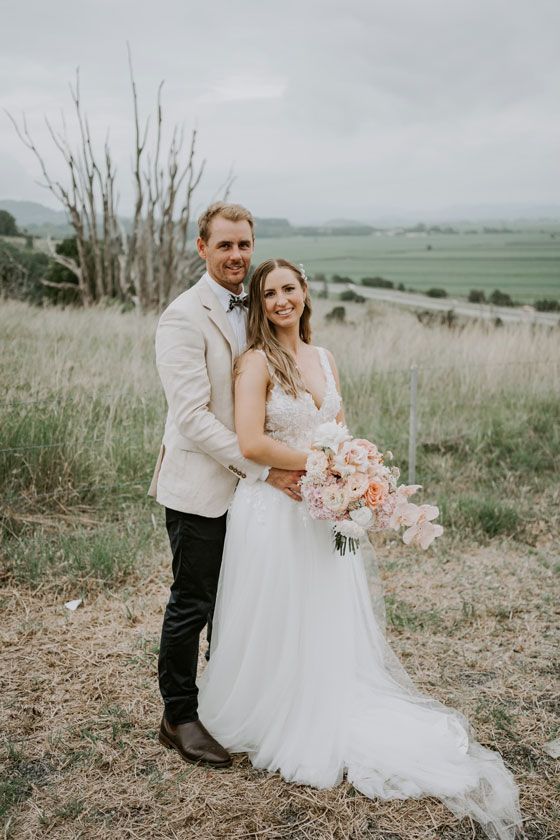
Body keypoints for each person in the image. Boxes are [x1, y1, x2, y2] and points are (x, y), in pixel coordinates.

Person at [198, 258, 522, 840]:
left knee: (324, 609)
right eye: (268, 293)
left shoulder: (324, 358)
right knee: (280, 610)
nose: (280, 301)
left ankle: (326, 694)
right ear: (258, 303)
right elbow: (251, 440)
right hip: (275, 511)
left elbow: (340, 426)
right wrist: (329, 463)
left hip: (323, 508)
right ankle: (276, 707)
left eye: (288, 289)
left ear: (305, 293)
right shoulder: (254, 362)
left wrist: (352, 469)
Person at [149, 204, 302, 768]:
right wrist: (261, 467)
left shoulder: (258, 308)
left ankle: (231, 703)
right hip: (203, 485)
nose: (236, 256)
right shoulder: (183, 317)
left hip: (252, 496)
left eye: (244, 245)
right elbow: (191, 416)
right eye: (224, 246)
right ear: (201, 247)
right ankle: (179, 716)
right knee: (194, 601)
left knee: (239, 602)